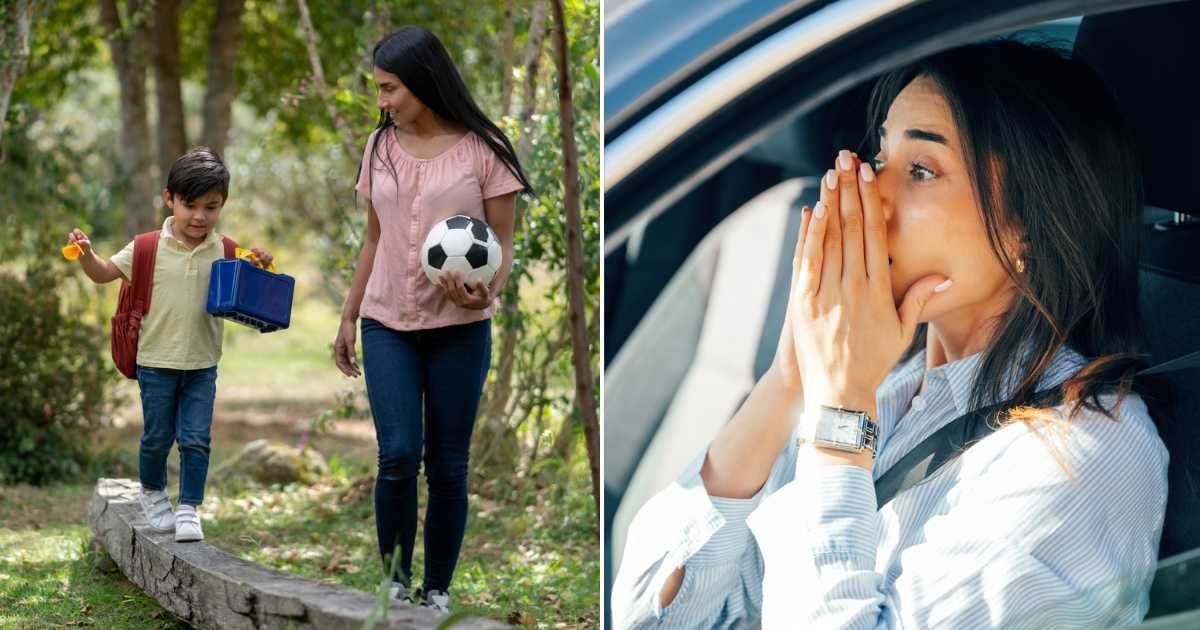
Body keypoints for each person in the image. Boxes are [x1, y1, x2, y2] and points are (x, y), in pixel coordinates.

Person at [612, 39, 1168, 628]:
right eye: (878, 160)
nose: (870, 194)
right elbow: (655, 617)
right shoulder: (889, 392)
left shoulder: (1085, 454)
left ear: (1028, 225)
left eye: (921, 170)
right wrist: (790, 379)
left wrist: (839, 419)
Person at [332, 26, 534, 614]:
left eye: (390, 88)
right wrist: (348, 317)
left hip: (460, 332)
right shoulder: (380, 149)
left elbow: (502, 244)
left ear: (422, 82)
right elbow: (373, 238)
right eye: (378, 88)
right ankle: (395, 582)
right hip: (387, 321)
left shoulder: (484, 151)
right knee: (397, 454)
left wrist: (484, 295)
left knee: (448, 465)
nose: (382, 101)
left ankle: (436, 591)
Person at [68, 147, 274, 544]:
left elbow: (253, 286)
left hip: (202, 364)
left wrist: (261, 262)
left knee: (196, 439)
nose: (199, 216)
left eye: (210, 207)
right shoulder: (146, 246)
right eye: (190, 205)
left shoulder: (228, 249)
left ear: (222, 205)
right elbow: (103, 273)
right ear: (169, 199)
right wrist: (86, 253)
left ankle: (189, 507)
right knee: (157, 437)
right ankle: (152, 493)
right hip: (155, 362)